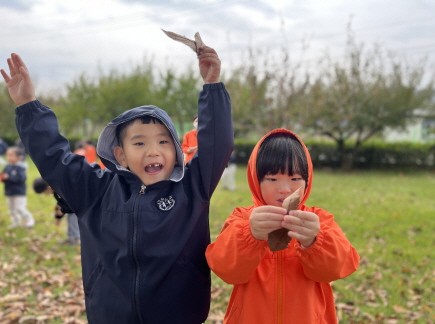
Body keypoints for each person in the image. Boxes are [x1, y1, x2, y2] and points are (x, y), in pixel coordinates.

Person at [2, 47, 233, 324]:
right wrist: (28, 105)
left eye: (163, 141)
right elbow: (54, 158)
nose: (153, 151)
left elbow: (217, 144)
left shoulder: (192, 187)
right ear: (120, 154)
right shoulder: (95, 191)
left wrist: (212, 87)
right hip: (110, 314)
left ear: (176, 150)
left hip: (179, 313)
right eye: (139, 143)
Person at [206, 129, 360, 323]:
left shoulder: (317, 220)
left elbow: (338, 268)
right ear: (256, 180)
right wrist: (250, 235)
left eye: (295, 179)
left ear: (307, 180)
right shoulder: (244, 218)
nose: (285, 189)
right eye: (272, 179)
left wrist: (314, 241)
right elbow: (226, 270)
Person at [33, 177, 80, 246]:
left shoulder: (62, 190)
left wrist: (63, 210)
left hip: (77, 210)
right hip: (71, 210)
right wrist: (58, 217)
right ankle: (71, 237)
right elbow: (60, 203)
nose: (45, 194)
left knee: (74, 223)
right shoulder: (56, 192)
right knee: (70, 221)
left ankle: (77, 240)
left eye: (44, 192)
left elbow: (72, 204)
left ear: (48, 188)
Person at [0, 146, 35, 229]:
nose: (9, 157)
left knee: (19, 208)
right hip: (9, 192)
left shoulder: (20, 168)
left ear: (18, 157)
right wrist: (3, 178)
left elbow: (22, 179)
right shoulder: (7, 167)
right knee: (11, 209)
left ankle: (29, 219)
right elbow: (4, 177)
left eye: (11, 155)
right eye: (7, 155)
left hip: (19, 192)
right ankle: (16, 222)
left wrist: (9, 177)